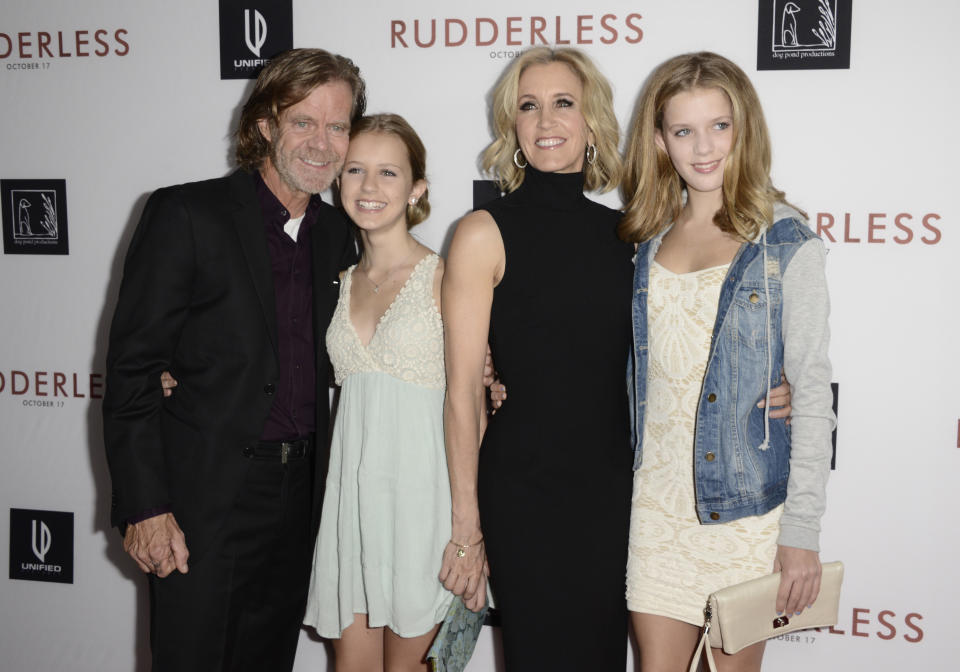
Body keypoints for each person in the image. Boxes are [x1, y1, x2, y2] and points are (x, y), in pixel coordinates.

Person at [102, 48, 365, 671]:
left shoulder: (341, 235)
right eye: (303, 122)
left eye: (338, 126)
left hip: (302, 502)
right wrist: (145, 507)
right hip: (203, 503)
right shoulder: (187, 214)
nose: (322, 143)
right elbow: (134, 370)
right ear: (264, 125)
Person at [619, 51, 835, 672]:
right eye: (683, 130)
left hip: (745, 512)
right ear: (661, 141)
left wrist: (801, 533)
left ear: (745, 129)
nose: (703, 147)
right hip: (654, 509)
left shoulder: (786, 239)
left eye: (719, 126)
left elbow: (814, 392)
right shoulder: (645, 239)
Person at [439, 47, 635, 670]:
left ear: (591, 122)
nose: (546, 119)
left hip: (611, 494)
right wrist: (467, 524)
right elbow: (465, 388)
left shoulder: (628, 237)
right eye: (530, 105)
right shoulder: (482, 232)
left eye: (563, 103)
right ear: (514, 127)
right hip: (523, 493)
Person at [301, 113, 456, 672]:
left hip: (427, 506)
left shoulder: (446, 276)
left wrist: (470, 529)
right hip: (353, 506)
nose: (369, 188)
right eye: (354, 171)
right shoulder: (334, 282)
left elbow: (474, 404)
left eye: (388, 173)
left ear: (416, 189)